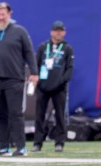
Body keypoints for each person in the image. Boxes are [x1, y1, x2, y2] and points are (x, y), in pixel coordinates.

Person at [0, 2, 39, 157]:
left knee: (16, 114)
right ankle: (4, 147)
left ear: (9, 14)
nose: (0, 17)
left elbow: (29, 53)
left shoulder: (20, 32)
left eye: (3, 14)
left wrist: (34, 73)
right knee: (0, 115)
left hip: (15, 79)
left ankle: (21, 147)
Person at [31, 21, 74, 153]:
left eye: (61, 30)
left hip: (59, 88)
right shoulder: (43, 47)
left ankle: (59, 143)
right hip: (43, 87)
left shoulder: (67, 48)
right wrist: (36, 79)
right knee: (39, 116)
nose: (58, 32)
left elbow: (70, 68)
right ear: (51, 32)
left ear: (64, 32)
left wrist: (61, 81)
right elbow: (35, 65)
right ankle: (37, 143)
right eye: (56, 30)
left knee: (60, 116)